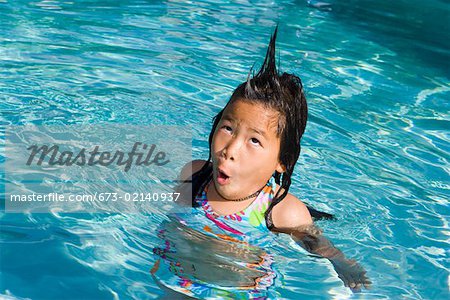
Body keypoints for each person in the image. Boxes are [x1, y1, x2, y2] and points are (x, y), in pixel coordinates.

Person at [154, 26, 371, 294]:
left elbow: (318, 245)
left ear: (283, 160)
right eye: (228, 128)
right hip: (179, 281)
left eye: (254, 140)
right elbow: (173, 221)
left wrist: (342, 263)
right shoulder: (195, 176)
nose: (231, 149)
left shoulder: (281, 211)